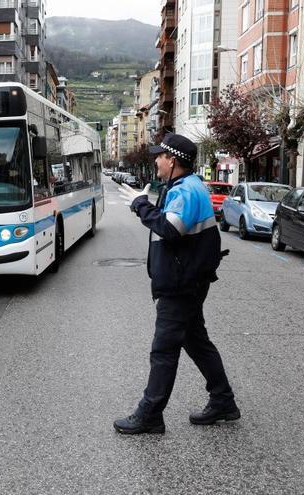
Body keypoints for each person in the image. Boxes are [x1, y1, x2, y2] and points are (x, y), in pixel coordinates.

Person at [114, 133, 238, 435]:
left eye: (159, 156)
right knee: (196, 341)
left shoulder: (185, 192)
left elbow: (170, 229)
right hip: (189, 280)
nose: (155, 160)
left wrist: (140, 205)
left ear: (172, 160)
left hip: (182, 285)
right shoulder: (186, 186)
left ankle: (150, 414)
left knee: (163, 349)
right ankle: (223, 400)